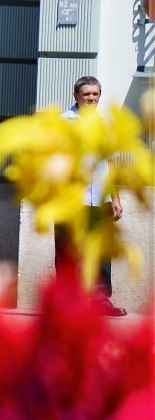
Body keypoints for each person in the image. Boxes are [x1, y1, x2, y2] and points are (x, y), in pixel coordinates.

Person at [60, 76, 127, 315]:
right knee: (69, 252)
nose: (91, 98)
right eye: (86, 94)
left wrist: (116, 198)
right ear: (75, 95)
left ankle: (100, 301)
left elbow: (109, 162)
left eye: (95, 94)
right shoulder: (63, 123)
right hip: (71, 199)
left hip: (100, 198)